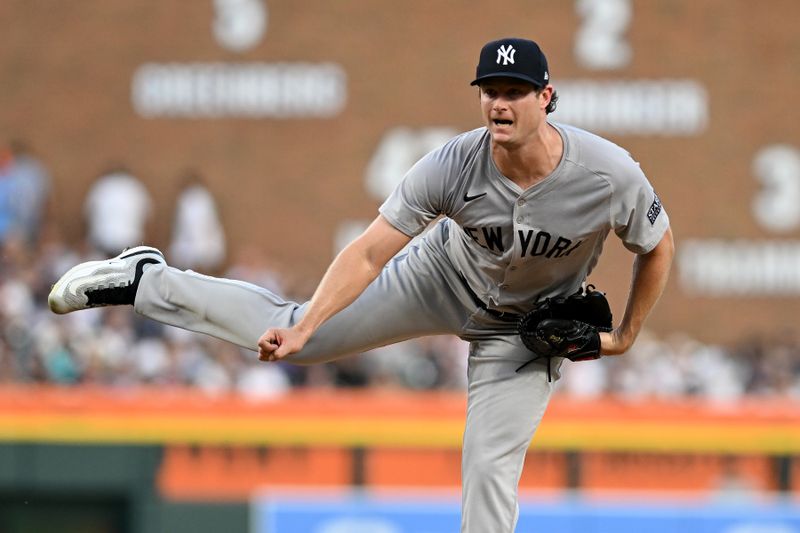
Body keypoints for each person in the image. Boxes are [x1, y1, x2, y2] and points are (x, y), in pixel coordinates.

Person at [48, 37, 674, 532]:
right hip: (443, 278)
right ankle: (145, 280)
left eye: (515, 91)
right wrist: (308, 327)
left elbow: (657, 245)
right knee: (295, 328)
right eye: (490, 91)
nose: (500, 104)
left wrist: (624, 335)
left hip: (525, 332)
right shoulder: (453, 162)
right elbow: (372, 250)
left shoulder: (606, 173)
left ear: (547, 97)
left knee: (490, 469)